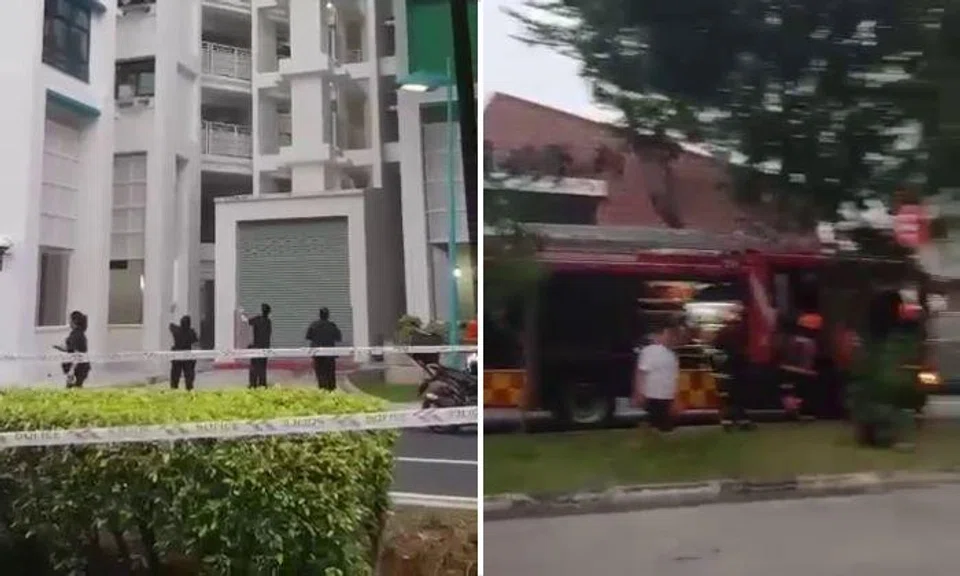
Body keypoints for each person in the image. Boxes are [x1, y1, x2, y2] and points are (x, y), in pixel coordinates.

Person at [634, 321, 680, 434]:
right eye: (667, 334)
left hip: (666, 395)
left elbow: (674, 377)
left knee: (662, 423)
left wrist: (676, 397)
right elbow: (641, 373)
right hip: (654, 395)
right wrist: (639, 393)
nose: (670, 337)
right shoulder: (650, 351)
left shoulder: (671, 354)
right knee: (657, 422)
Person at [712, 314, 755, 430]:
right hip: (738, 369)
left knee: (728, 397)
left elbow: (716, 347)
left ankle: (728, 421)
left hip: (726, 369)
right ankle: (742, 421)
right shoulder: (741, 333)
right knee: (738, 396)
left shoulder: (722, 333)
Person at [305, 307, 342, 390]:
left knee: (320, 373)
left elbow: (308, 337)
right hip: (330, 354)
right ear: (328, 315)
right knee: (330, 373)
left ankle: (322, 389)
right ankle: (331, 390)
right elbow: (338, 338)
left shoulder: (313, 325)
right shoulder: (332, 326)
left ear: (320, 315)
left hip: (317, 354)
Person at [55, 310, 90, 388]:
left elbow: (77, 353)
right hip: (80, 366)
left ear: (74, 321)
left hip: (78, 368)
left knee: (73, 388)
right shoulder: (76, 333)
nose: (69, 322)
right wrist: (59, 348)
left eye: (70, 320)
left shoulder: (77, 335)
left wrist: (72, 370)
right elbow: (70, 349)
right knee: (74, 388)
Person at [244, 303, 272, 388]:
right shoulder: (268, 321)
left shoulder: (257, 319)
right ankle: (262, 384)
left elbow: (245, 321)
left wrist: (242, 313)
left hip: (256, 347)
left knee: (254, 366)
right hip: (265, 348)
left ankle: (253, 384)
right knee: (263, 366)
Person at [169, 315, 199, 391]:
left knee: (175, 374)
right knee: (189, 374)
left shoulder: (176, 331)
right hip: (187, 356)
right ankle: (189, 389)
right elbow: (196, 341)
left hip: (177, 356)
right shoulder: (191, 332)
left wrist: (172, 313)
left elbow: (171, 325)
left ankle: (174, 388)